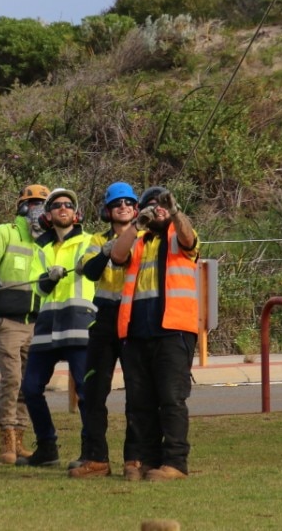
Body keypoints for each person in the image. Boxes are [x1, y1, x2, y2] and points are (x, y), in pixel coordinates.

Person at [108, 185, 200, 481]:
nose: (156, 211)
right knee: (138, 401)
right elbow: (117, 255)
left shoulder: (179, 235)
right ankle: (142, 460)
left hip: (174, 331)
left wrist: (174, 213)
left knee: (171, 399)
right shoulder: (136, 240)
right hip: (135, 334)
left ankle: (175, 463)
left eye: (160, 206)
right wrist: (137, 223)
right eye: (150, 206)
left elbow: (189, 238)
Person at [16, 188, 98, 467]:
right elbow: (37, 287)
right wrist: (48, 279)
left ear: (76, 214)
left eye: (68, 205)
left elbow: (96, 269)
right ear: (48, 214)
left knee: (86, 392)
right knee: (30, 387)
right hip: (48, 326)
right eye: (57, 205)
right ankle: (47, 446)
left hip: (79, 324)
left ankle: (90, 452)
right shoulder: (41, 250)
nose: (63, 209)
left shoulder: (90, 242)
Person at [0, 184, 49, 464]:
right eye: (33, 202)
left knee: (29, 384)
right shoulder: (5, 232)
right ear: (22, 206)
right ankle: (6, 437)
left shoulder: (49, 241)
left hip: (37, 322)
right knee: (12, 379)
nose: (37, 207)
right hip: (7, 320)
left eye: (43, 202)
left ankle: (19, 438)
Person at [69, 182, 139, 478]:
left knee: (138, 393)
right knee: (94, 391)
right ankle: (95, 458)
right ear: (107, 210)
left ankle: (135, 459)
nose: (123, 206)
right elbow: (91, 271)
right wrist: (108, 251)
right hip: (105, 320)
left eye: (128, 202)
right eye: (117, 203)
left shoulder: (145, 238)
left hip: (136, 320)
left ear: (136, 209)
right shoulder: (96, 240)